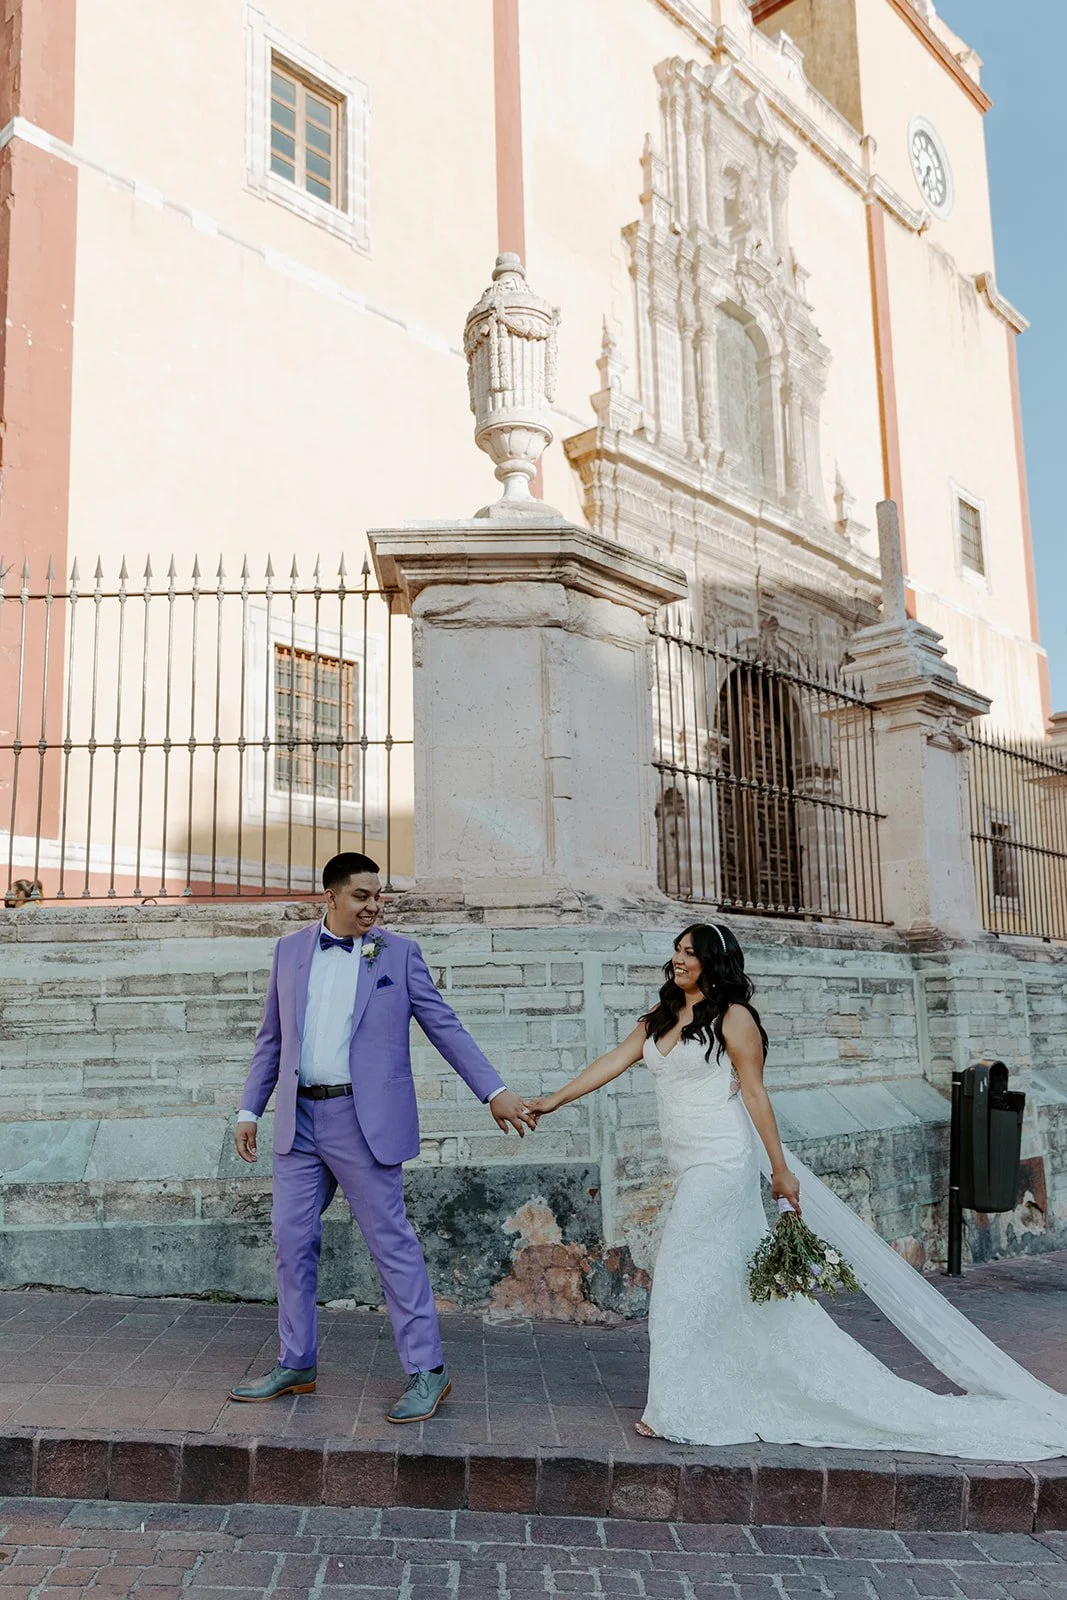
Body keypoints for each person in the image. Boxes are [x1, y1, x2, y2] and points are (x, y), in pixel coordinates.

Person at [526, 922, 1067, 1458]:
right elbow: (611, 1063)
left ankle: (682, 1406)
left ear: (714, 961)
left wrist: (781, 1171)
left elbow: (756, 1096)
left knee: (680, 1273)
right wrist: (553, 1101)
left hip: (723, 1161)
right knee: (721, 1280)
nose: (678, 959)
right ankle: (716, 1390)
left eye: (690, 953)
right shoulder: (659, 1018)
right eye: (676, 951)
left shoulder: (733, 1019)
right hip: (689, 1164)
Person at [229, 851, 536, 1422]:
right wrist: (250, 1108)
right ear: (331, 897)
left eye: (378, 897)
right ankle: (297, 1362)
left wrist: (494, 1092)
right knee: (291, 1243)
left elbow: (445, 1025)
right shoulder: (290, 950)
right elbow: (271, 1039)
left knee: (390, 1246)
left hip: (360, 1122)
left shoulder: (399, 954)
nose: (374, 906)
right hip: (298, 1121)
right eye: (361, 896)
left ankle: (428, 1369)